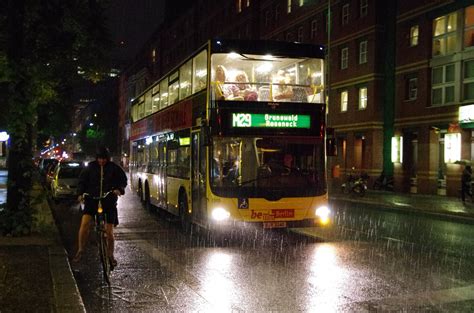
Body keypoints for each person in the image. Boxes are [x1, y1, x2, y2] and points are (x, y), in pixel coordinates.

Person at [72, 146, 127, 267]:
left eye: (104, 159)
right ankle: (80, 250)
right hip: (92, 199)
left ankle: (110, 255)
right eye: (100, 159)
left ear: (108, 158)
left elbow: (123, 180)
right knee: (85, 223)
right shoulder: (90, 168)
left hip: (108, 201)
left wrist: (119, 189)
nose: (102, 161)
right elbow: (82, 181)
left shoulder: (114, 168)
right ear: (96, 158)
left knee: (109, 231)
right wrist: (80, 194)